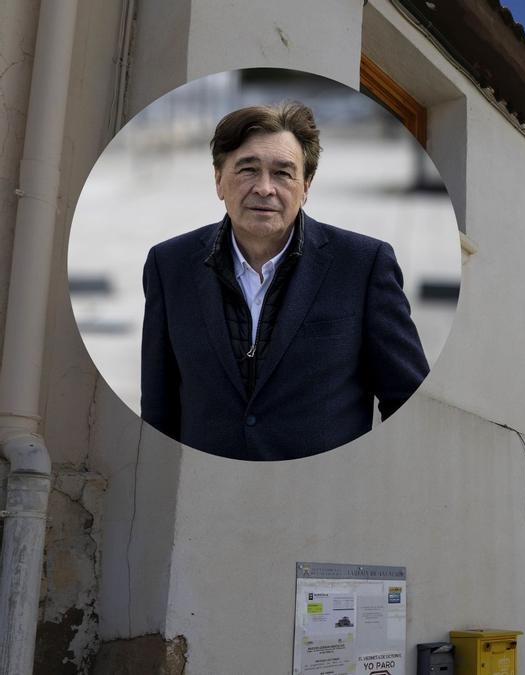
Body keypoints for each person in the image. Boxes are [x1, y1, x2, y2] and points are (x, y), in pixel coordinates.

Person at [141, 101, 429, 460]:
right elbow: (157, 407)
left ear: (306, 185)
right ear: (219, 180)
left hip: (322, 500)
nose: (264, 188)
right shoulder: (168, 266)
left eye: (283, 173)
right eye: (248, 169)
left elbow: (407, 403)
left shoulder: (363, 265)